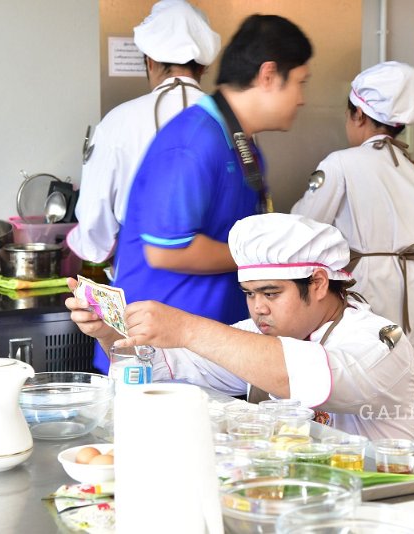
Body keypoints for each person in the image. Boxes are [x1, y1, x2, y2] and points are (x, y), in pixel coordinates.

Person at [67, 213, 414, 441]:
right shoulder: (257, 334)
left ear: (318, 283)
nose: (258, 307)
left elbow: (305, 376)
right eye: (250, 294)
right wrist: (110, 332)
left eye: (271, 293)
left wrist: (187, 328)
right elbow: (163, 369)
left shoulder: (378, 342)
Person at [100, 15, 312, 373]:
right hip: (161, 357)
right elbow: (167, 250)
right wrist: (264, 257)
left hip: (208, 347)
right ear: (268, 75)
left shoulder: (238, 139)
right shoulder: (194, 140)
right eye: (299, 83)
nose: (302, 99)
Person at [291, 61, 414, 362]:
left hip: (363, 299)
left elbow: (302, 229)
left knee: (360, 378)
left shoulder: (340, 164)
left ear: (358, 114)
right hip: (413, 312)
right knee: (405, 383)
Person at [66, 0, 221, 264]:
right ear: (203, 67)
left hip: (142, 270)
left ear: (149, 61)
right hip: (219, 270)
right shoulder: (231, 119)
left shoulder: (118, 121)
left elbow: (95, 229)